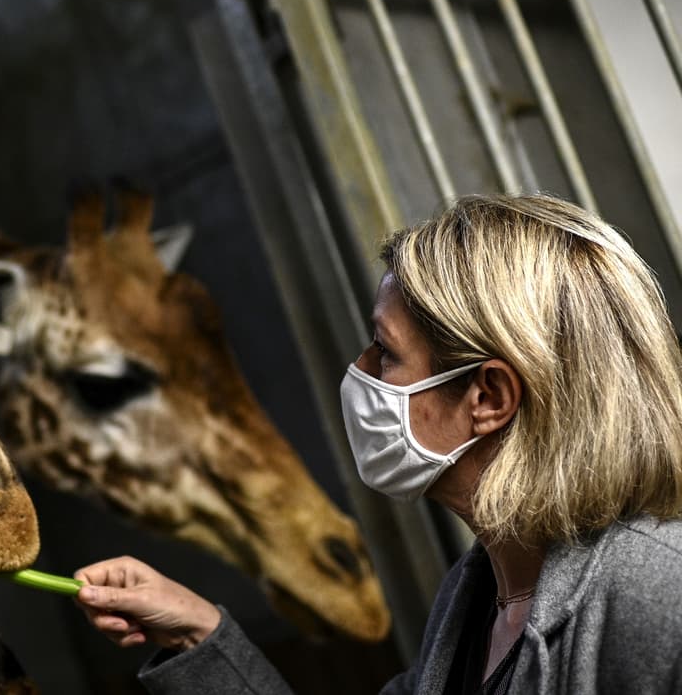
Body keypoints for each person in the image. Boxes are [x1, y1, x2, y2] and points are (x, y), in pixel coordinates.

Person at [74, 194, 682, 694]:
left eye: (385, 352)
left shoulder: (659, 592)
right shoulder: (475, 600)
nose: (359, 371)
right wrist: (197, 636)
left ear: (488, 397)